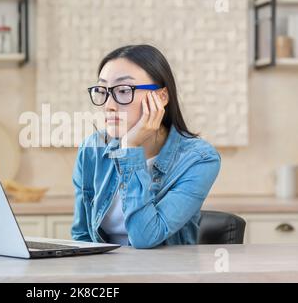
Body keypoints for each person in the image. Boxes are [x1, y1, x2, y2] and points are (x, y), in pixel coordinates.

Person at [71, 44, 221, 248]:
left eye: (123, 90)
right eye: (102, 90)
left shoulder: (199, 158)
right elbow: (82, 236)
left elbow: (146, 237)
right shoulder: (92, 149)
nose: (109, 105)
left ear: (161, 97)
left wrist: (130, 148)